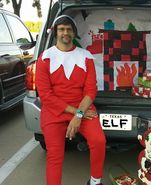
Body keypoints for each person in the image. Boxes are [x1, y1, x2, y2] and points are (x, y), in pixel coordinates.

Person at [35, 15, 106, 185]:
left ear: (74, 33)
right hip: (54, 112)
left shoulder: (86, 56)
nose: (65, 32)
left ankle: (95, 182)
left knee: (99, 141)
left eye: (68, 29)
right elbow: (45, 95)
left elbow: (90, 90)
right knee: (55, 154)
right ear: (55, 32)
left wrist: (79, 114)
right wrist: (76, 114)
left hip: (82, 107)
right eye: (61, 29)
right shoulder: (44, 59)